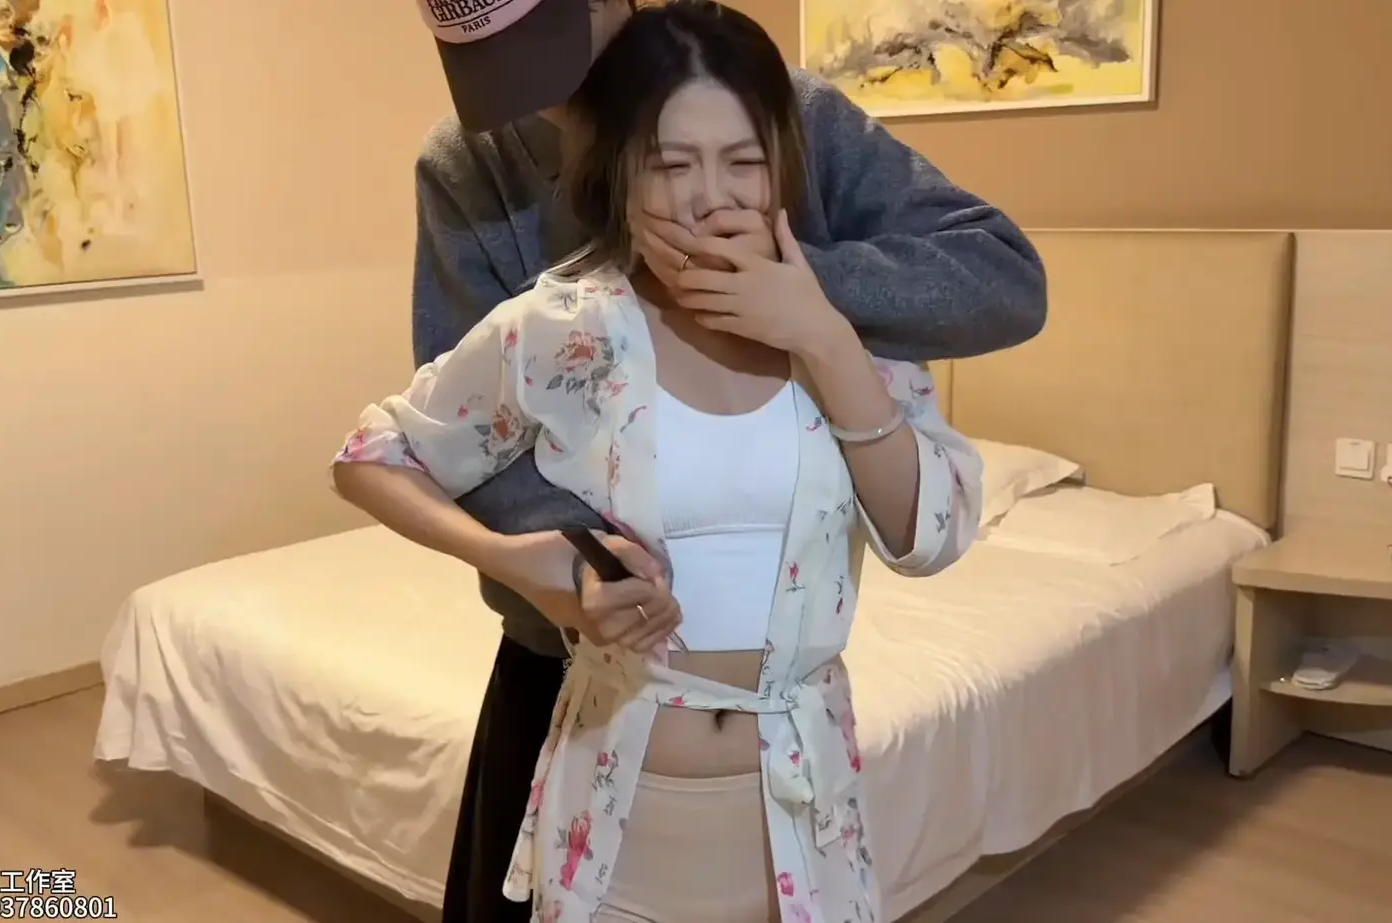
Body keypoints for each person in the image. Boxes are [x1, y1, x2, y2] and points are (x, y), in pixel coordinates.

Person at [339, 5, 984, 919]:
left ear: (781, 168)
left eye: (743, 162)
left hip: (800, 822)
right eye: (671, 165)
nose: (710, 198)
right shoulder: (567, 326)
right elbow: (371, 453)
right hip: (610, 819)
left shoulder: (849, 335)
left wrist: (823, 337)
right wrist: (517, 558)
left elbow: (932, 539)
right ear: (619, 176)